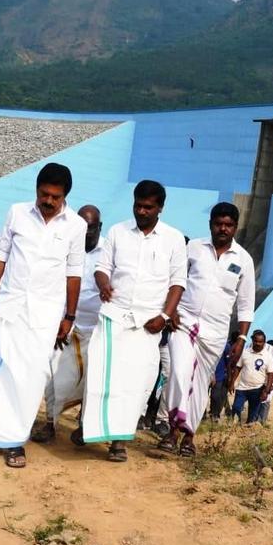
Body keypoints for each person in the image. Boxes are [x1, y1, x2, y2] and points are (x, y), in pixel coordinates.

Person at [0, 163, 87, 468]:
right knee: (0, 371)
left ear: (65, 196)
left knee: (31, 378)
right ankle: (0, 437)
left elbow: (74, 273)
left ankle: (14, 438)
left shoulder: (76, 226)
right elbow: (1, 255)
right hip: (11, 306)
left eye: (55, 196)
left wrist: (69, 316)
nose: (48, 201)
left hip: (46, 314)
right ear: (36, 190)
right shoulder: (17, 212)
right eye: (43, 194)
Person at [80, 180, 186, 463]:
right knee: (102, 376)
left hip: (147, 323)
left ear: (160, 208)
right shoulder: (117, 231)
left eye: (148, 207)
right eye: (138, 205)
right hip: (114, 316)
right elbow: (102, 268)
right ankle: (90, 428)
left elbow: (178, 283)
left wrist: (164, 317)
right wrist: (103, 284)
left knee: (136, 385)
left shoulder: (173, 239)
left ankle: (118, 442)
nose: (141, 211)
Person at [160, 202, 255, 456]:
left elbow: (246, 305)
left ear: (235, 227)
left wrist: (242, 338)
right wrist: (171, 311)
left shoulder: (243, 260)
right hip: (184, 322)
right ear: (210, 224)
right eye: (218, 223)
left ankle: (187, 437)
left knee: (201, 383)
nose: (223, 229)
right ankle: (172, 427)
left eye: (228, 225)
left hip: (215, 331)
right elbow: (174, 280)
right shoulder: (193, 249)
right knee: (179, 373)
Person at [32, 204, 103, 444]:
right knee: (53, 376)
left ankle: (85, 426)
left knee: (91, 382)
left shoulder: (107, 252)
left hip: (95, 330)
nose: (86, 233)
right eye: (82, 227)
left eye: (91, 228)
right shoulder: (65, 246)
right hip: (62, 326)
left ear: (99, 228)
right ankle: (50, 424)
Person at [229, 331, 273, 425]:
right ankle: (235, 428)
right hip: (242, 387)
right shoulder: (245, 352)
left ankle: (246, 433)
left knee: (252, 415)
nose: (258, 344)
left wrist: (266, 390)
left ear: (264, 342)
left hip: (257, 389)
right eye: (256, 341)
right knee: (236, 408)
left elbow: (271, 374)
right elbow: (238, 368)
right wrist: (232, 383)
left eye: (261, 342)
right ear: (252, 340)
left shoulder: (268, 356)